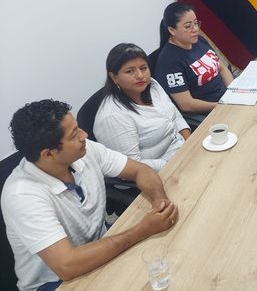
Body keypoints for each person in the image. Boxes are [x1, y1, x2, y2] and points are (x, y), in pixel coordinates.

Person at [1, 100, 179, 291]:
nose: (84, 135)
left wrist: (159, 200)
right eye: (74, 134)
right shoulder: (22, 195)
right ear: (48, 155)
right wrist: (143, 229)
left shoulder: (84, 151)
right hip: (56, 282)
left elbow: (140, 170)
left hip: (101, 247)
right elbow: (67, 265)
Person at [94, 43, 191, 172]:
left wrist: (190, 143)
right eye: (130, 71)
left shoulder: (152, 85)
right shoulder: (112, 117)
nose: (140, 75)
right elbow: (132, 166)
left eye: (143, 68)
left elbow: (174, 115)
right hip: (159, 171)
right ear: (114, 77)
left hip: (183, 150)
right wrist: (173, 164)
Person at [154, 2, 233, 125]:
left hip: (228, 98)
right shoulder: (169, 62)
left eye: (196, 23)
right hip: (211, 110)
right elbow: (186, 104)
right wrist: (222, 105)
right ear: (171, 30)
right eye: (188, 26)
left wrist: (233, 91)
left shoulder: (198, 40)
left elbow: (222, 68)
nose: (195, 29)